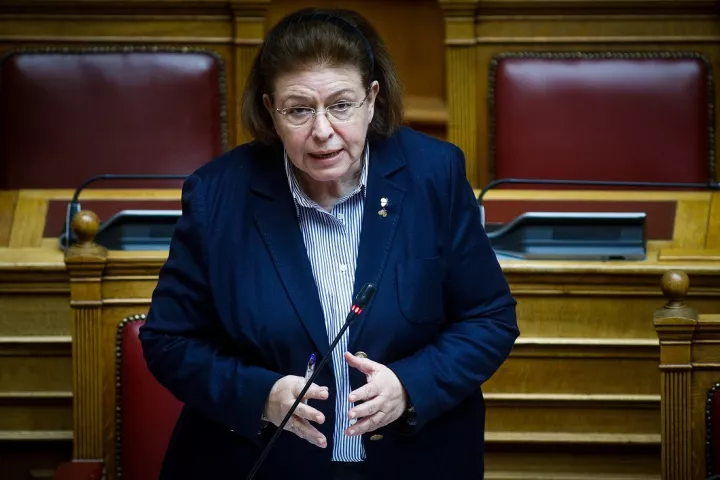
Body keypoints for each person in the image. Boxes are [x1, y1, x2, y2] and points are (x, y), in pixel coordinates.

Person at [139, 7, 519, 480]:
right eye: (299, 110)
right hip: (265, 465)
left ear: (372, 99)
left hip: (412, 462)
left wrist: (409, 386)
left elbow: (489, 318)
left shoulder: (433, 175)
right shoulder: (218, 195)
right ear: (270, 111)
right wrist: (260, 396)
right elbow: (169, 340)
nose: (321, 131)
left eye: (341, 105)